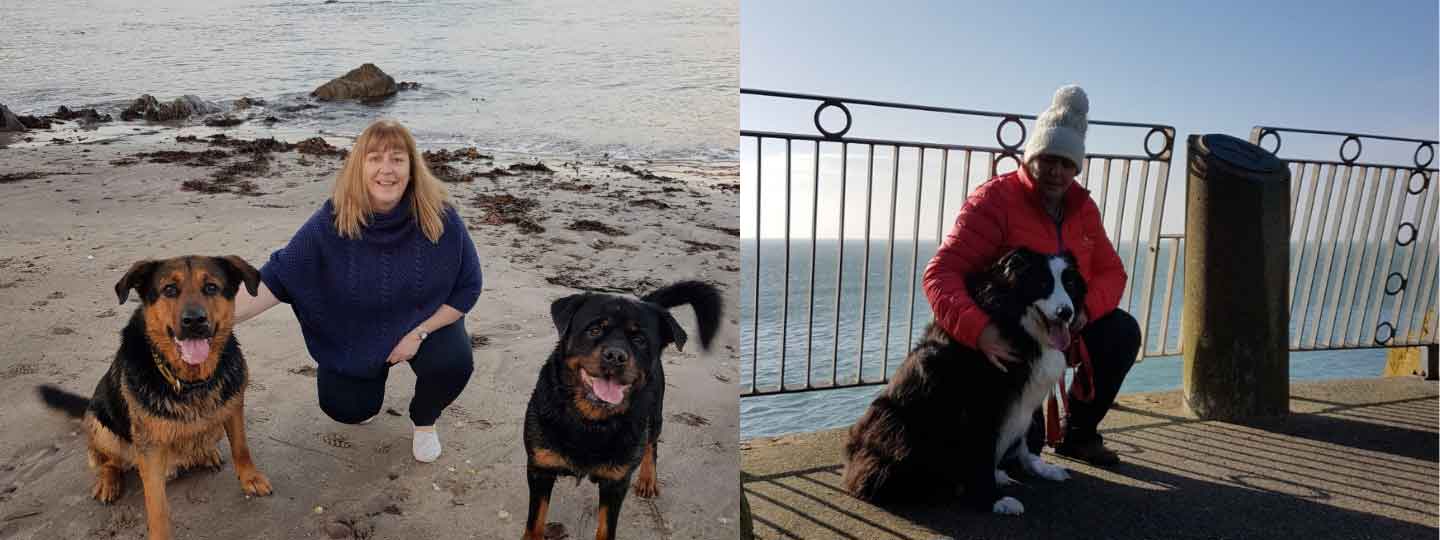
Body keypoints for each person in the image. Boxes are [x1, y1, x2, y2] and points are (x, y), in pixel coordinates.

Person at [235, 118, 482, 463]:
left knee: (452, 362)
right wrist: (212, 321)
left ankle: (424, 420)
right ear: (359, 167)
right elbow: (277, 277)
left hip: (423, 324)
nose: (387, 170)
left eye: (397, 159)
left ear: (412, 167)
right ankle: (368, 379)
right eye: (375, 158)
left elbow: (468, 287)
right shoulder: (333, 220)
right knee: (345, 408)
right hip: (357, 332)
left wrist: (419, 334)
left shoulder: (439, 216)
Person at [922, 85, 1141, 466]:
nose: (1056, 171)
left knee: (1121, 331)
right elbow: (941, 273)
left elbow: (1112, 271)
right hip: (1010, 335)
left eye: (1067, 162)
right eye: (1048, 158)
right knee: (1019, 455)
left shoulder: (1083, 208)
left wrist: (1085, 310)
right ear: (1030, 159)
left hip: (1063, 324)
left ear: (1077, 167)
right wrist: (980, 331)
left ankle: (1079, 433)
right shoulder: (994, 200)